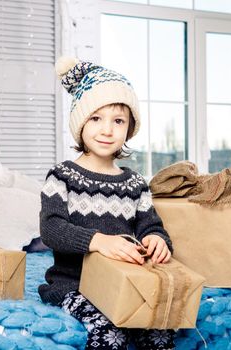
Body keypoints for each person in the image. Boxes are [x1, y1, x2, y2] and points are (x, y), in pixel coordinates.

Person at [39, 57, 176, 350]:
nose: (107, 130)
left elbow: (150, 224)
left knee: (161, 330)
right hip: (75, 284)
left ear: (129, 129)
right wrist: (99, 241)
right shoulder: (62, 176)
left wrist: (156, 239)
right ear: (80, 124)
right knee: (108, 330)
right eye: (96, 118)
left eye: (118, 121)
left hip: (127, 283)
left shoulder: (135, 184)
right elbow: (51, 229)